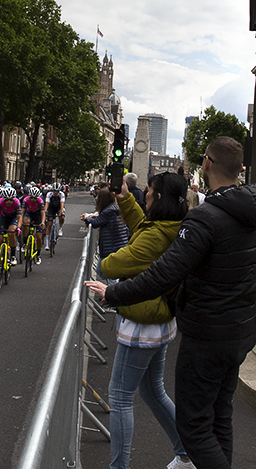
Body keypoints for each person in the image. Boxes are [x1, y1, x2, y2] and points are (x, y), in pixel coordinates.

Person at [93, 136, 256, 469]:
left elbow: (164, 274)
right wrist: (242, 284)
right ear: (240, 168)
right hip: (240, 330)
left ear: (206, 164)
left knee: (194, 429)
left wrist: (112, 294)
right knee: (219, 417)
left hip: (207, 334)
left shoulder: (205, 218)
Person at [86, 172, 195, 469]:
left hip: (142, 321)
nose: (143, 195)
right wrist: (123, 199)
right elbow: (141, 226)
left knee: (120, 397)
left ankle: (119, 467)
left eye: (147, 192)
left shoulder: (156, 235)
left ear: (157, 198)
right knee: (152, 390)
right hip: (160, 319)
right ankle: (186, 452)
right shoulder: (174, 225)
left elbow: (116, 262)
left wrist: (106, 262)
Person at [83, 186, 130, 267]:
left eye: (98, 196)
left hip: (111, 248)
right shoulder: (113, 209)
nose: (96, 198)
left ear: (103, 199)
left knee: (105, 271)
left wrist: (86, 217)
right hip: (118, 246)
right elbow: (102, 220)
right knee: (105, 270)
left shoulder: (108, 211)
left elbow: (95, 223)